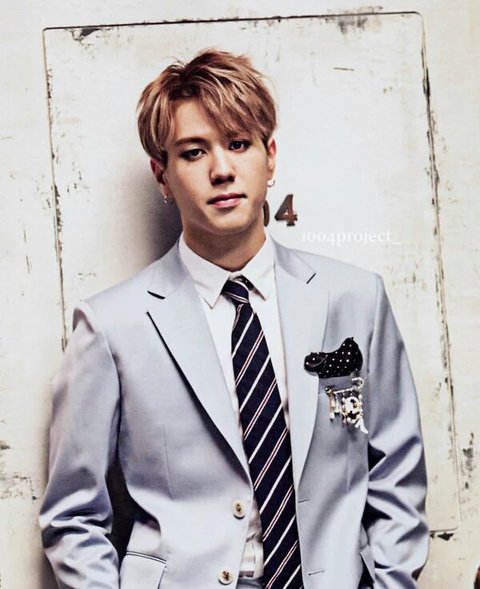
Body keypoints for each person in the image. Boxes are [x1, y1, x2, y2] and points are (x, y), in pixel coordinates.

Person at [39, 48, 429, 589]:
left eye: (239, 144)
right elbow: (73, 515)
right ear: (162, 175)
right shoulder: (111, 327)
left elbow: (396, 472)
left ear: (270, 156)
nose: (221, 170)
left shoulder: (354, 300)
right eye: (193, 152)